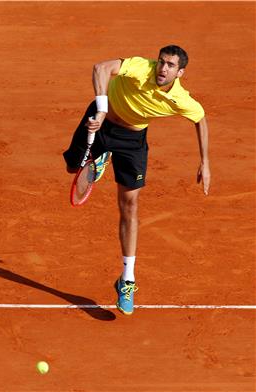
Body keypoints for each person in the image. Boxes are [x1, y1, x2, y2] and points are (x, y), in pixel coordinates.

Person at [62, 45, 210, 315]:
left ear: (180, 72)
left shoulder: (180, 99)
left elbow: (200, 119)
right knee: (73, 169)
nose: (163, 69)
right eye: (161, 62)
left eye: (170, 66)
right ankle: (101, 158)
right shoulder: (141, 67)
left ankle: (127, 279)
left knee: (129, 206)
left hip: (132, 142)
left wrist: (205, 162)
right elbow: (101, 68)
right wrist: (103, 109)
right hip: (101, 120)